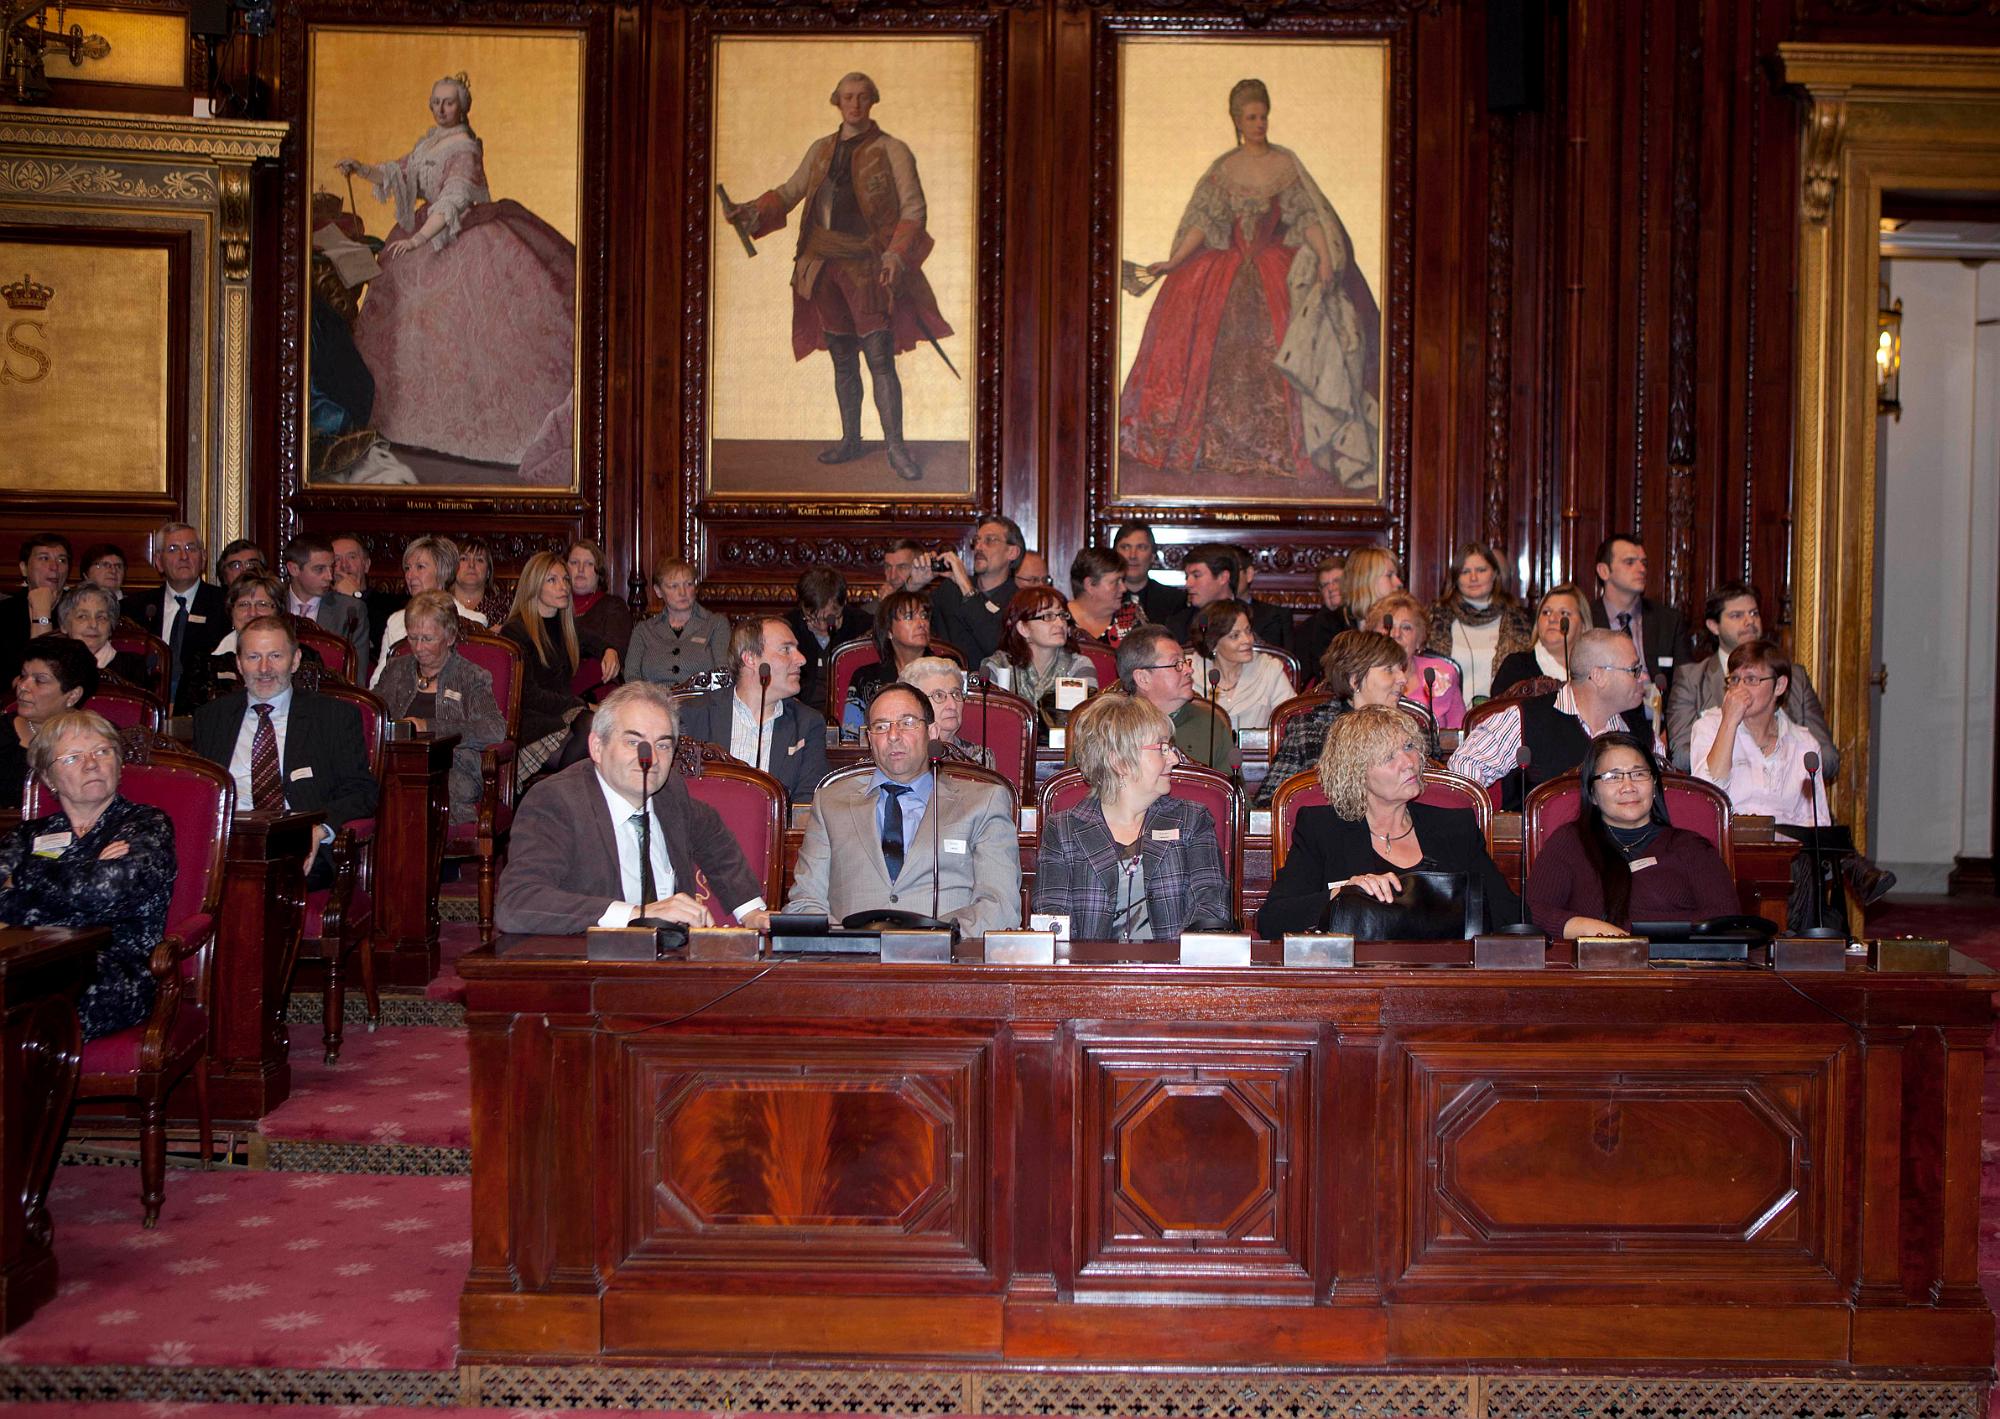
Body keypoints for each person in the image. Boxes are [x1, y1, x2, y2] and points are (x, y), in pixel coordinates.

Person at [1119, 79, 1379, 492]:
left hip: (1275, 270)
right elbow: (1205, 223)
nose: (1259, 123)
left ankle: (1283, 454)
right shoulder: (1224, 169)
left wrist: (1326, 258)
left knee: (1284, 349)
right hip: (1224, 274)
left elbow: (1306, 218)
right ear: (1238, 121)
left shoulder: (1286, 164)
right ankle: (1208, 450)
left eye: (1263, 116)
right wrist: (1175, 261)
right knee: (1210, 353)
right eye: (1251, 117)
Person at [335, 73, 577, 483]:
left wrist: (418, 241)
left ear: (462, 107)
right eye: (435, 102)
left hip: (465, 237)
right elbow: (401, 172)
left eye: (448, 102)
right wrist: (361, 169)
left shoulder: (464, 148)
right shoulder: (430, 142)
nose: (441, 109)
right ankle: (405, 425)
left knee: (478, 334)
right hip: (429, 235)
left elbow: (452, 201)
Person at [724, 72, 949, 484]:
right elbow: (790, 192)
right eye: (848, 97)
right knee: (843, 358)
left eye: (863, 97)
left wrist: (896, 255)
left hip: (866, 270)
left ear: (873, 101)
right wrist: (751, 211)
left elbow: (913, 210)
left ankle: (896, 448)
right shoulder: (821, 150)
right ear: (837, 101)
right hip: (820, 269)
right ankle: (851, 440)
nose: (855, 104)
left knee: (879, 359)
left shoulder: (892, 150)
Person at [494, 682, 773, 935]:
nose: (649, 758)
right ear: (597, 746)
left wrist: (750, 910)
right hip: (590, 969)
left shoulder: (669, 792)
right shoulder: (556, 802)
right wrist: (637, 915)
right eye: (633, 742)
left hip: (672, 962)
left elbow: (712, 835)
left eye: (662, 745)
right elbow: (517, 904)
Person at [1258, 706, 1517, 939]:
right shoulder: (1322, 829)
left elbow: (1511, 915)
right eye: (1388, 757)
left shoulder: (1455, 827)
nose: (1409, 763)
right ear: (1356, 773)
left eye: (1409, 747)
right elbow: (1272, 919)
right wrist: (1342, 894)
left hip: (1445, 975)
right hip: (1357, 980)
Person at [783, 683, 1020, 935]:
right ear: (869, 738)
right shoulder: (830, 803)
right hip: (855, 962)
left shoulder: (982, 803)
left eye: (907, 723)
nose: (893, 736)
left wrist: (930, 940)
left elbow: (1000, 907)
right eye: (881, 726)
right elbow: (805, 902)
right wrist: (849, 943)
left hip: (946, 961)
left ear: (932, 732)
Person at [0, 709, 175, 1039]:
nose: (91, 764)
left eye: (102, 752)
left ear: (119, 764)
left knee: (31, 1011)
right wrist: (90, 869)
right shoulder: (30, 834)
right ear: (49, 778)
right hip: (29, 961)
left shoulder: (145, 825)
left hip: (114, 970)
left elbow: (108, 892)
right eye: (73, 757)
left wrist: (23, 877)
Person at [1689, 638, 1890, 913]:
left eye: (1750, 679)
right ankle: (1854, 868)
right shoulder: (1710, 727)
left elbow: (1813, 819)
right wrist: (1729, 722)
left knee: (1806, 859)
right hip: (1729, 848)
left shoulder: (1803, 742)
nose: (1739, 689)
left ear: (1780, 686)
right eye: (1733, 679)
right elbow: (1707, 794)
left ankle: (1800, 945)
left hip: (1786, 857)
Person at [192, 615, 379, 890]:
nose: (264, 669)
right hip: (228, 841)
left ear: (295, 660)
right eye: (254, 657)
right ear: (239, 664)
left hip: (297, 842)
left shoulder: (333, 716)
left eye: (276, 656)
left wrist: (321, 830)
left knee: (264, 883)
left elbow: (362, 791)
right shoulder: (211, 718)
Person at [1034, 692, 1231, 939]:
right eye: (1162, 748)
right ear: (1120, 762)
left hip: (1172, 973)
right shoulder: (1063, 830)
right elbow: (1052, 924)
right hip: (1089, 973)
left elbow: (1211, 908)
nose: (1174, 758)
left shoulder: (1192, 820)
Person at [1524, 731, 1738, 938]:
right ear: (1592, 793)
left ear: (1654, 785)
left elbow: (1725, 917)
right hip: (1596, 968)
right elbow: (1533, 913)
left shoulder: (1692, 849)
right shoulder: (1570, 843)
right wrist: (1590, 928)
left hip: (1676, 969)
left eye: (1638, 774)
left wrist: (1636, 933)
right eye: (1613, 777)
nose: (1628, 787)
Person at [1449, 629, 1651, 809]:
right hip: (1542, 847)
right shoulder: (1524, 719)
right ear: (1599, 675)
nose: (1643, 678)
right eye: (1634, 670)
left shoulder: (1640, 730)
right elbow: (1462, 770)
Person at [1666, 582, 1837, 777]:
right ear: (1714, 626)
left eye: (1754, 613)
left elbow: (1829, 758)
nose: (1750, 621)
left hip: (1786, 797)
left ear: (1780, 685)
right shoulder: (1691, 679)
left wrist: (1775, 760)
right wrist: (1748, 756)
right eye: (1737, 615)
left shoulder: (1794, 677)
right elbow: (1680, 756)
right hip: (1723, 794)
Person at [373, 591, 507, 823]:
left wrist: (429, 726)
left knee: (422, 793)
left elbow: (494, 729)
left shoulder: (471, 676)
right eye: (413, 638)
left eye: (428, 638)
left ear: (450, 637)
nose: (418, 647)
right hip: (397, 764)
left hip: (453, 767)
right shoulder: (396, 669)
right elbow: (372, 715)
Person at [1254, 629, 1415, 808]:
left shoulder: (1412, 727)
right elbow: (1270, 800)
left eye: (1401, 669)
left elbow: (1433, 792)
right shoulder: (1310, 726)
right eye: (1389, 670)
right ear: (1354, 680)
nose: (1402, 679)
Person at [677, 617, 830, 804]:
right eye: (786, 650)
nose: (801, 659)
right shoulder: (693, 715)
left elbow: (808, 803)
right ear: (750, 658)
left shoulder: (808, 724)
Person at [499, 550, 615, 782]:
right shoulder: (516, 631)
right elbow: (529, 696)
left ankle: (558, 801)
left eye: (565, 579)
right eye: (552, 580)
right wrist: (582, 705)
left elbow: (594, 641)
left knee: (594, 731)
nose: (563, 587)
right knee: (591, 727)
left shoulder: (564, 626)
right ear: (534, 586)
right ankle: (559, 800)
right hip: (530, 723)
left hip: (559, 716)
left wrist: (608, 651)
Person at [188, 573, 324, 707]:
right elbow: (188, 718)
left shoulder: (305, 658)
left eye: (262, 604)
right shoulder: (203, 660)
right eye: (243, 604)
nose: (252, 613)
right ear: (231, 611)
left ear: (278, 611)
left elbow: (312, 711)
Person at [979, 587, 1099, 738]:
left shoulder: (1080, 666)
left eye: (1062, 615)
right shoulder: (997, 666)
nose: (1060, 623)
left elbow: (1087, 725)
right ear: (1023, 628)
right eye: (1048, 616)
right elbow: (990, 725)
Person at [1117, 625, 1236, 773]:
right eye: (1177, 664)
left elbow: (1234, 792)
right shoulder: (1109, 727)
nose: (1189, 670)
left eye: (1186, 662)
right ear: (1143, 678)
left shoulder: (1210, 723)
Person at [134, 521, 226, 712]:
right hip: (146, 711)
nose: (184, 556)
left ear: (203, 557)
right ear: (159, 561)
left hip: (205, 711)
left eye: (191, 548)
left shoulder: (225, 605)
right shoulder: (135, 608)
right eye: (173, 549)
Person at [1427, 540, 1532, 703]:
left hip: (1503, 719)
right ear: (1455, 578)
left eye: (1481, 570)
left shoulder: (1518, 620)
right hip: (1447, 720)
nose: (1473, 578)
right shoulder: (1434, 619)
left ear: (1495, 574)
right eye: (1465, 571)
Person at [373, 536, 486, 686]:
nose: (410, 576)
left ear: (442, 572)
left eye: (420, 567)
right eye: (407, 568)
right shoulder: (396, 621)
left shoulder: (473, 621)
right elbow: (378, 681)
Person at [2, 635, 97, 809]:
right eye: (23, 676)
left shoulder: (97, 741)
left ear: (73, 696)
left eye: (40, 680)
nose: (22, 686)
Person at [1591, 532, 1688, 687]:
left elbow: (1685, 685)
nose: (1641, 569)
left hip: (1657, 710)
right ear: (1604, 571)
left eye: (1644, 563)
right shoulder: (1585, 619)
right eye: (1629, 562)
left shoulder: (1668, 621)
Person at [930, 516, 1024, 665]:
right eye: (977, 540)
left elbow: (996, 648)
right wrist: (913, 585)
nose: (979, 547)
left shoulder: (1020, 602)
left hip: (991, 685)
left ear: (1012, 552)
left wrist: (967, 588)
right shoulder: (950, 589)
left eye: (990, 540)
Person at [1188, 598, 1291, 732]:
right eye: (1235, 636)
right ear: (1212, 643)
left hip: (1259, 753)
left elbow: (1290, 720)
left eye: (1248, 631)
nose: (1247, 640)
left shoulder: (1269, 669)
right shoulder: (1190, 671)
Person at [626, 556, 731, 685]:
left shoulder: (716, 624)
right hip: (654, 702)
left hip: (702, 702)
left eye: (688, 584)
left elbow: (724, 676)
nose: (682, 592)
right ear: (658, 591)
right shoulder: (643, 630)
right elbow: (631, 679)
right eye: (673, 586)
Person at [283, 533, 375, 678]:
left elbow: (356, 679)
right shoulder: (272, 605)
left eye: (331, 567)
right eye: (319, 569)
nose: (329, 577)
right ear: (293, 569)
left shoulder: (350, 610)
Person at [844, 590, 936, 730]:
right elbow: (851, 733)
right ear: (889, 631)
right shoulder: (866, 677)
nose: (921, 623)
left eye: (924, 616)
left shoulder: (944, 671)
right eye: (910, 617)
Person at [1373, 591, 1465, 731]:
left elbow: (1461, 735)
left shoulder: (1442, 675)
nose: (1396, 635)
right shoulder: (1362, 675)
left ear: (1419, 639)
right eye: (1389, 626)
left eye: (1406, 627)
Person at [1167, 544, 1287, 647]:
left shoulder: (1264, 620)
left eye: (1196, 576)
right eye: (1187, 577)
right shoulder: (1178, 623)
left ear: (1223, 577)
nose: (1188, 584)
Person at [787, 567, 871, 713]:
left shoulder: (864, 626)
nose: (821, 625)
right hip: (801, 712)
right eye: (812, 617)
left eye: (829, 618)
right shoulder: (788, 628)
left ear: (843, 603)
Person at [1489, 583, 1592, 698]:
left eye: (1564, 613)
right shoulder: (1516, 666)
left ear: (1583, 625)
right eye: (1546, 612)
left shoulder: (1595, 671)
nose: (1552, 618)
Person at [0, 533, 71, 686]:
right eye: (44, 558)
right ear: (24, 568)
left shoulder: (79, 610)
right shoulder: (4, 613)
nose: (54, 567)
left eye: (62, 560)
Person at [901, 655, 993, 769]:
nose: (952, 705)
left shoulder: (979, 757)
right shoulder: (901, 755)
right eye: (939, 695)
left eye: (956, 694)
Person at [57, 586, 150, 689]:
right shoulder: (53, 666)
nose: (93, 625)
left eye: (101, 617)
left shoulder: (133, 666)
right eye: (82, 616)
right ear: (64, 625)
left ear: (111, 627)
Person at [331, 533, 404, 654]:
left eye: (352, 557)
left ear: (366, 565)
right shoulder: (322, 603)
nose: (344, 566)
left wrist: (356, 597)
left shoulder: (389, 605)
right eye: (337, 559)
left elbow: (387, 646)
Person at [567, 540, 634, 664]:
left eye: (589, 564)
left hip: (598, 679)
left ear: (599, 572)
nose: (580, 569)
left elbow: (617, 650)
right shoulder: (554, 604)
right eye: (574, 562)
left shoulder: (613, 606)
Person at [1112, 522, 1187, 627]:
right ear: (1115, 554)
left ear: (1152, 556)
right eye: (1125, 547)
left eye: (1141, 547)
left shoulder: (1174, 600)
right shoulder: (1102, 597)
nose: (1132, 555)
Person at [1290, 555, 1351, 681]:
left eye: (1337, 581)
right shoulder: (1306, 630)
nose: (1331, 588)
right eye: (1325, 585)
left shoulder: (1362, 620)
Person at [1067, 547, 1129, 645]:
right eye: (1116, 582)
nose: (1124, 588)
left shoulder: (1130, 617)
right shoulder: (1058, 619)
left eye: (1122, 580)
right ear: (1090, 585)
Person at [1341, 546, 1402, 636]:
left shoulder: (1405, 619)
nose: (1399, 582)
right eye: (1389, 575)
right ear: (1366, 580)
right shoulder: (1333, 626)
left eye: (1397, 575)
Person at [453, 538, 511, 627]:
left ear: (488, 572)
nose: (471, 565)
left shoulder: (503, 604)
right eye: (464, 559)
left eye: (479, 560)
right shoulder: (440, 602)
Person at [79, 543, 127, 610]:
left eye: (118, 566)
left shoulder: (137, 608)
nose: (113, 571)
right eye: (105, 565)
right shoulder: (73, 606)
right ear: (86, 574)